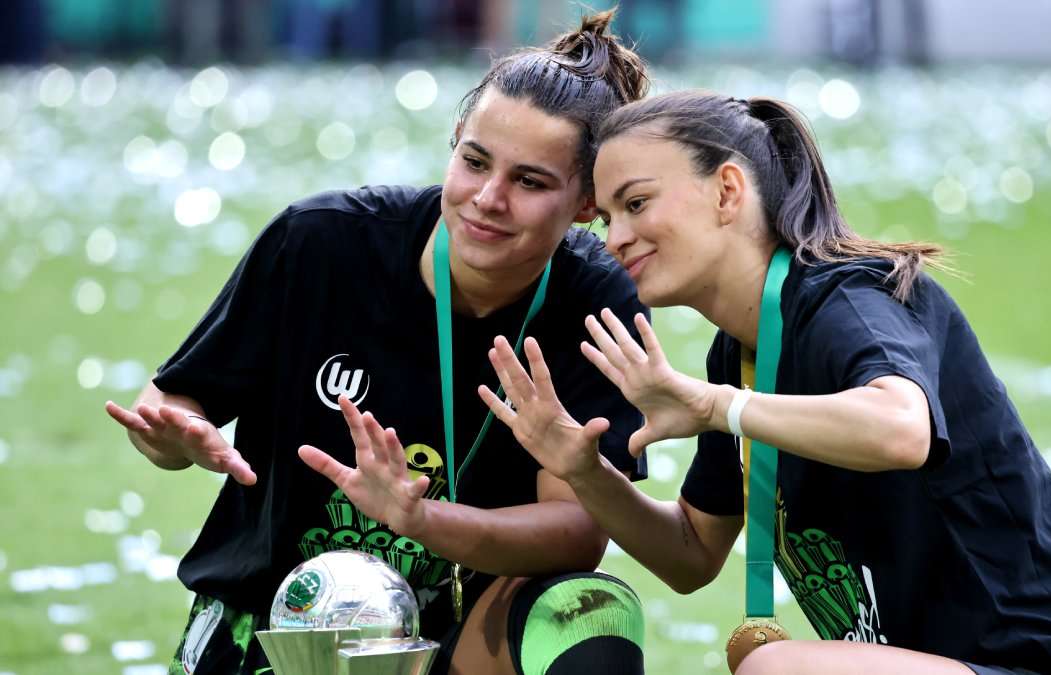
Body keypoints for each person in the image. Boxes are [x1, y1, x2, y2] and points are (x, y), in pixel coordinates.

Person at [479, 91, 1051, 674]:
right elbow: (690, 554)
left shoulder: (849, 298)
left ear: (727, 191)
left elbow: (902, 427)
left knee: (774, 665)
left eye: (636, 203)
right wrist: (587, 472)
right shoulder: (738, 354)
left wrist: (717, 408)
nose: (614, 238)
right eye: (605, 220)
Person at [104, 11, 652, 675]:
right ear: (453, 144)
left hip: (457, 635)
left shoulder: (597, 301)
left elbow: (577, 532)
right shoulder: (320, 241)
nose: (487, 198)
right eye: (474, 161)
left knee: (591, 612)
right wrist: (173, 436)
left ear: (588, 202)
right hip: (282, 625)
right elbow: (169, 403)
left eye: (529, 181)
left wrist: (424, 519)